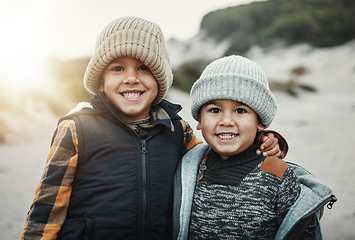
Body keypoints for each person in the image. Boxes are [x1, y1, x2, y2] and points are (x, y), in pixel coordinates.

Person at [21, 17, 287, 240]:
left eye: (144, 67)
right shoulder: (78, 128)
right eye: (117, 68)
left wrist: (262, 141)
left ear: (159, 80)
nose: (131, 78)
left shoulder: (176, 129)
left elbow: (218, 153)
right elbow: (47, 205)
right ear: (100, 82)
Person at [173, 55, 337, 240]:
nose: (226, 121)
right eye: (215, 110)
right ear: (199, 121)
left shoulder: (278, 175)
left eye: (240, 111)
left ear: (259, 122)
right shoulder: (187, 170)